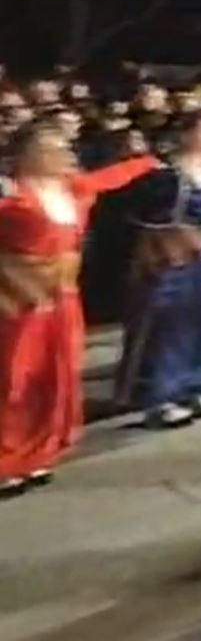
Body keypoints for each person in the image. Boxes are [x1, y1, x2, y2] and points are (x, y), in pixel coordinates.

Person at [0, 122, 158, 496]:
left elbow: (111, 177)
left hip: (63, 299)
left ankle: (38, 451)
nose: (67, 154)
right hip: (20, 301)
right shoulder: (11, 197)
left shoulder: (73, 189)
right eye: (55, 147)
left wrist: (149, 162)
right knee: (16, 378)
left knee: (58, 374)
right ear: (29, 155)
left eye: (66, 147)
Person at [121, 112, 201, 428]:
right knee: (173, 330)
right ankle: (161, 397)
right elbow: (146, 223)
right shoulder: (166, 177)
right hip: (183, 262)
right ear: (185, 135)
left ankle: (198, 385)